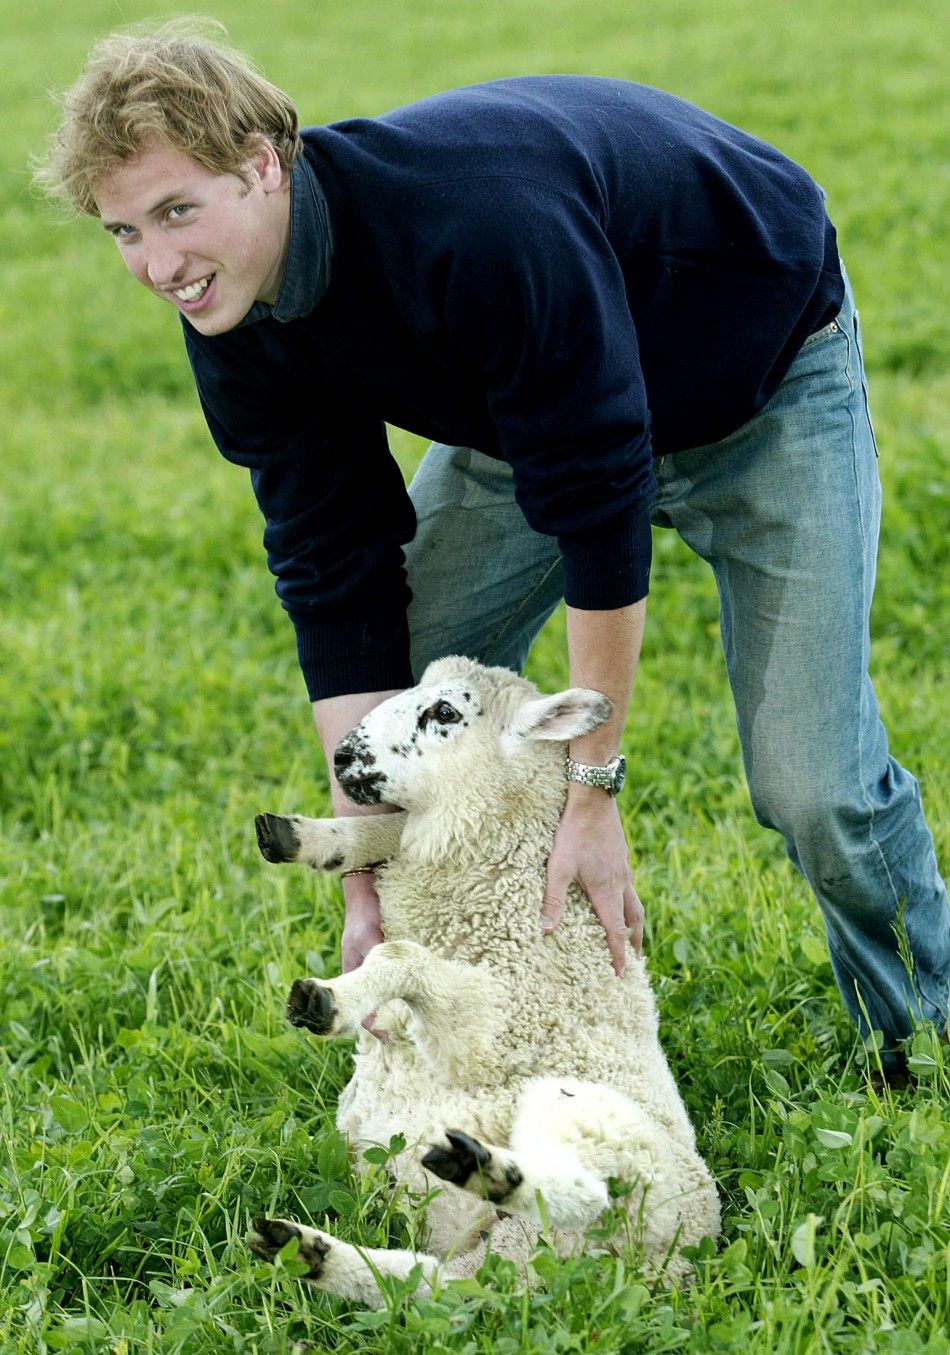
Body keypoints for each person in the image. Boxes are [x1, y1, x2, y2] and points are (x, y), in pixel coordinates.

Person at [36, 21, 948, 1084]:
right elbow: (334, 575)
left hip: (758, 382)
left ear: (261, 163)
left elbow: (600, 496)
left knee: (812, 781)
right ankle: (510, 1033)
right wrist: (361, 873)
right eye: (123, 232)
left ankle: (922, 1042)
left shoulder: (474, 225)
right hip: (527, 423)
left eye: (176, 211)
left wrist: (589, 791)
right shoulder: (231, 314)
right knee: (401, 718)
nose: (158, 266)